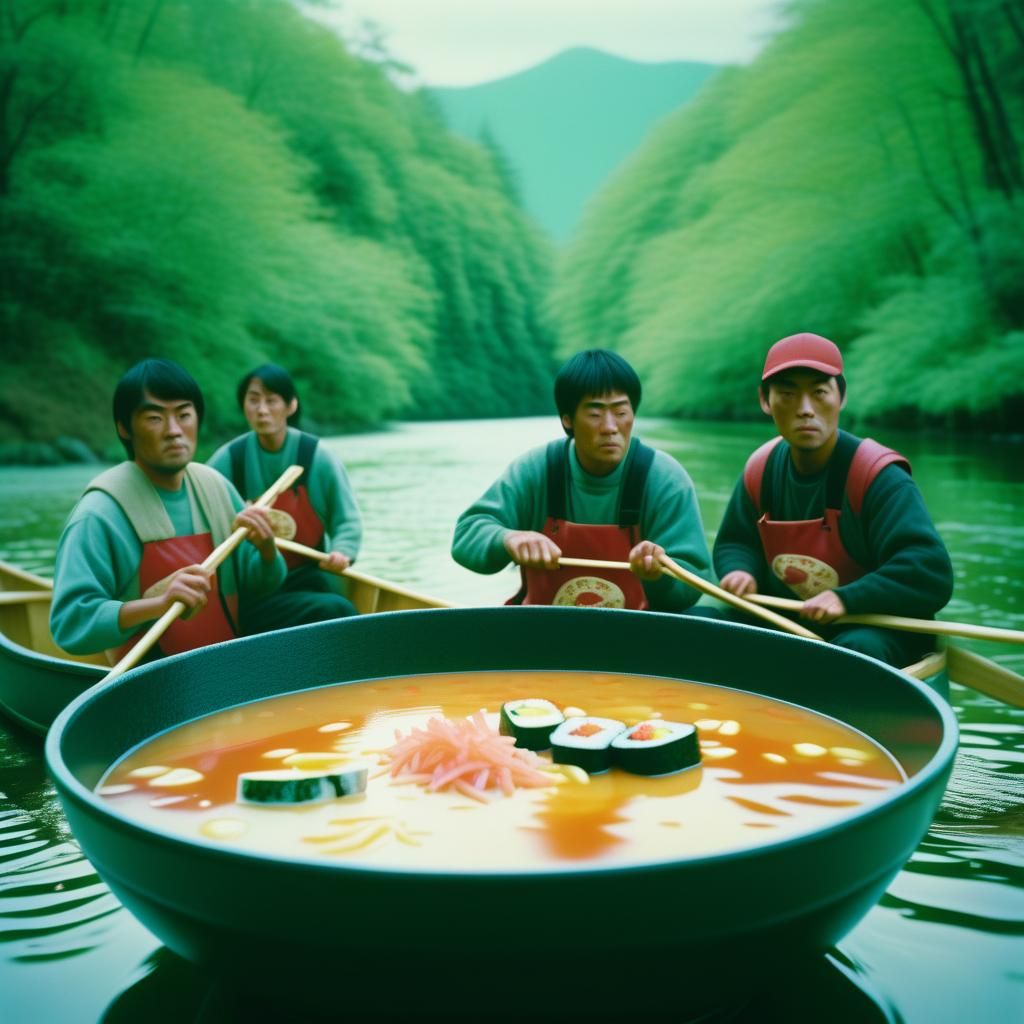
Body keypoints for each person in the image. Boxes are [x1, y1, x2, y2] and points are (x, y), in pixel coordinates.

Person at [713, 332, 954, 666]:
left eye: (819, 393)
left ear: (841, 397)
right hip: (792, 625)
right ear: (765, 401)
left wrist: (847, 599)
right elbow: (736, 542)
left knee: (854, 651)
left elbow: (928, 572)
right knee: (702, 622)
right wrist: (741, 571)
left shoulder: (879, 476)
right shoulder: (760, 469)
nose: (805, 410)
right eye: (788, 394)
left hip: (875, 629)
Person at [50, 359, 286, 663]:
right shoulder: (99, 514)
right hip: (151, 679)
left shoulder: (216, 487)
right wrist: (158, 604)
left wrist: (266, 549)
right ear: (124, 428)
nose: (174, 431)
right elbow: (70, 624)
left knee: (325, 609)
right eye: (154, 418)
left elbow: (259, 587)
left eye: (184, 415)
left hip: (228, 666)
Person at [451, 349, 712, 611]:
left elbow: (694, 582)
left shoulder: (664, 478)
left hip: (637, 629)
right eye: (595, 414)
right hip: (544, 625)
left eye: (621, 412)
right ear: (567, 420)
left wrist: (659, 574)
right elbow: (466, 535)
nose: (610, 427)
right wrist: (508, 539)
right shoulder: (535, 469)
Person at [207, 364, 362, 632]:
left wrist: (342, 552)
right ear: (243, 406)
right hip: (251, 586)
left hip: (308, 578)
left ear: (291, 406)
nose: (262, 410)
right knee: (333, 610)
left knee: (336, 607)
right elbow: (202, 520)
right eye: (253, 400)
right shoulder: (229, 459)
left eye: (271, 400)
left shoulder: (317, 457)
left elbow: (346, 520)